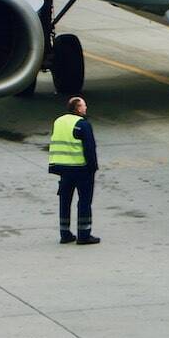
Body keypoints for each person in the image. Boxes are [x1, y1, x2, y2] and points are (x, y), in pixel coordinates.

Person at [48, 95, 100, 245]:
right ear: (78, 108)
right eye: (84, 105)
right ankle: (84, 234)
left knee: (65, 200)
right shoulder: (83, 124)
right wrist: (93, 168)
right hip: (81, 169)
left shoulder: (58, 121)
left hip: (63, 169)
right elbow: (89, 148)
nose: (86, 108)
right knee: (84, 201)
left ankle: (65, 233)